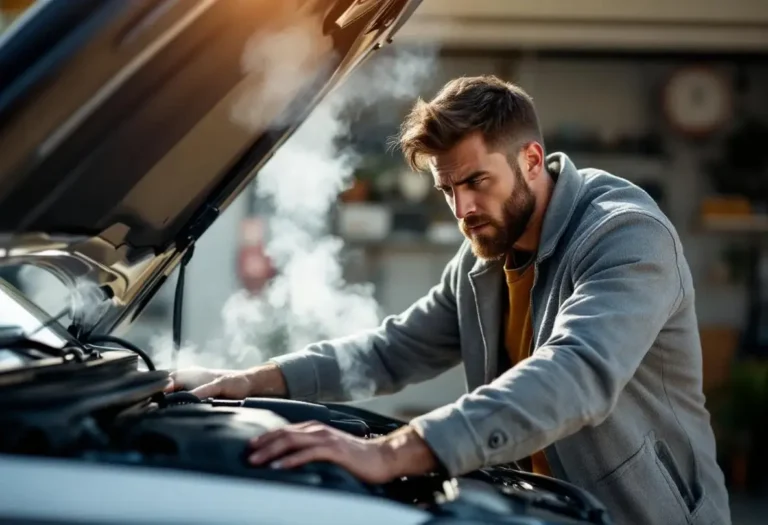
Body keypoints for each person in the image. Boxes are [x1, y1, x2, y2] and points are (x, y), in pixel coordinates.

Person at [169, 75, 730, 525]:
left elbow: (575, 374)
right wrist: (251, 381)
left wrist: (389, 453)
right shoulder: (484, 254)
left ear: (532, 161)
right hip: (537, 509)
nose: (461, 209)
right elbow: (391, 352)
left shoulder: (626, 236)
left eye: (476, 182)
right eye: (447, 189)